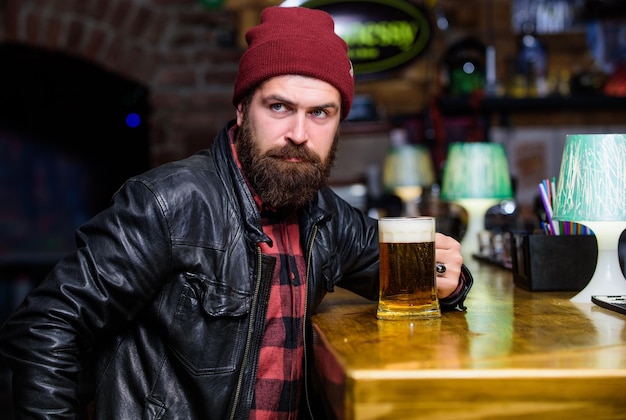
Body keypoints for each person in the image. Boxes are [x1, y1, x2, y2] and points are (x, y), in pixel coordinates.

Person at [0, 6, 473, 419]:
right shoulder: (169, 202)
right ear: (244, 109)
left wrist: (451, 279)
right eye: (280, 106)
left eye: (320, 113)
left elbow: (416, 271)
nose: (299, 133)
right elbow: (46, 326)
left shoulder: (325, 217)